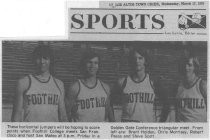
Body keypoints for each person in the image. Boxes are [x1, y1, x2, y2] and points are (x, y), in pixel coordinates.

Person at [11, 45, 68, 122]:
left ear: (51, 60)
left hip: (52, 132)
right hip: (31, 132)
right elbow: (16, 116)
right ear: (34, 60)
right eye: (38, 58)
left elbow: (63, 116)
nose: (42, 61)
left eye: (45, 58)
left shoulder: (59, 84)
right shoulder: (24, 82)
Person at [112, 48, 168, 122]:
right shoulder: (122, 82)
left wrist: (161, 124)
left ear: (145, 60)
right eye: (134, 58)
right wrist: (112, 123)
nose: (137, 61)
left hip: (147, 130)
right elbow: (109, 102)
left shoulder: (153, 82)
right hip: (128, 130)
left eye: (140, 58)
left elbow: (167, 103)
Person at [66, 50, 115, 122]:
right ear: (84, 64)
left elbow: (108, 113)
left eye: (96, 63)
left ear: (99, 66)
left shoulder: (105, 87)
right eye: (89, 62)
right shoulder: (75, 87)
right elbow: (66, 114)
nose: (92, 66)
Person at [175, 54, 207, 122]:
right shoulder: (177, 86)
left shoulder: (202, 85)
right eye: (184, 65)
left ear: (195, 67)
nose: (186, 68)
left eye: (189, 65)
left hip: (198, 129)